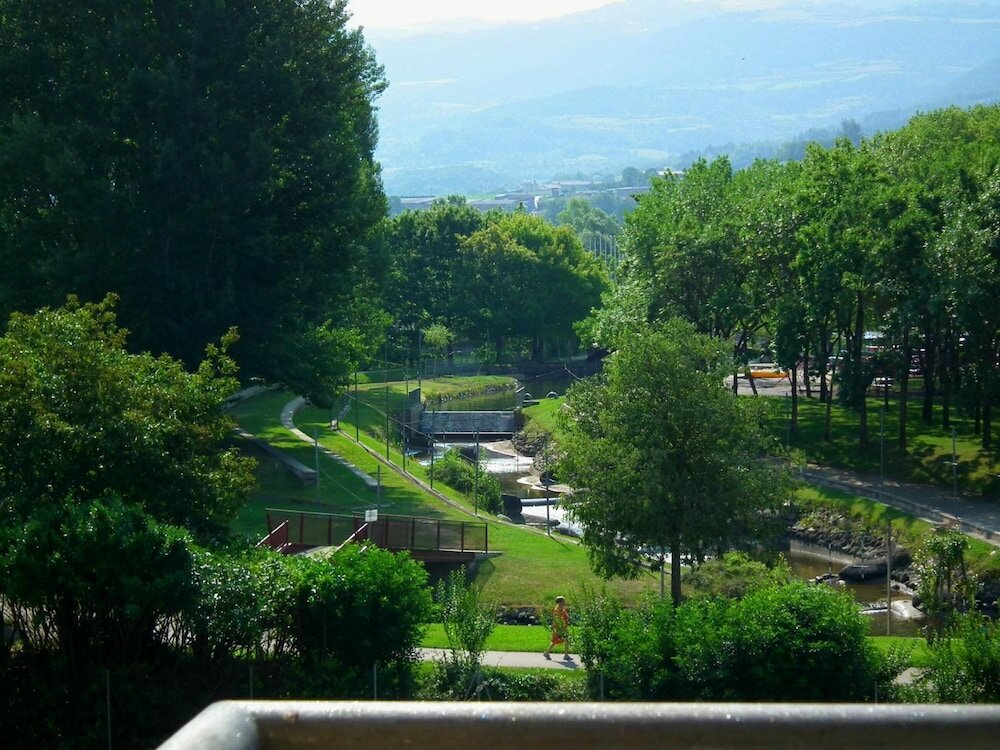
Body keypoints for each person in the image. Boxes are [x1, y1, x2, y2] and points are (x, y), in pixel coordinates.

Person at [543, 595, 571, 660]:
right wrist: (554, 626)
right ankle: (566, 655)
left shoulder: (560, 609)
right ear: (560, 602)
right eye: (563, 601)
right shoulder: (558, 610)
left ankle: (547, 653)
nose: (564, 602)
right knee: (566, 640)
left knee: (555, 641)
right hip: (560, 628)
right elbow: (556, 619)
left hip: (562, 627)